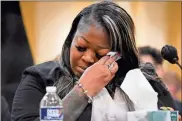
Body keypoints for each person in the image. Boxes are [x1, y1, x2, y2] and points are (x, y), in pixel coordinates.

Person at [11, 1, 177, 121]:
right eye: (81, 48)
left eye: (100, 54)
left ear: (120, 55)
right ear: (70, 41)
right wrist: (82, 91)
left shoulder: (145, 80)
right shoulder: (40, 78)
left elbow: (169, 114)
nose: (88, 58)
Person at [138, 46, 182, 116]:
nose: (146, 74)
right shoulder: (126, 104)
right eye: (141, 69)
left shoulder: (177, 108)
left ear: (161, 70)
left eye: (151, 67)